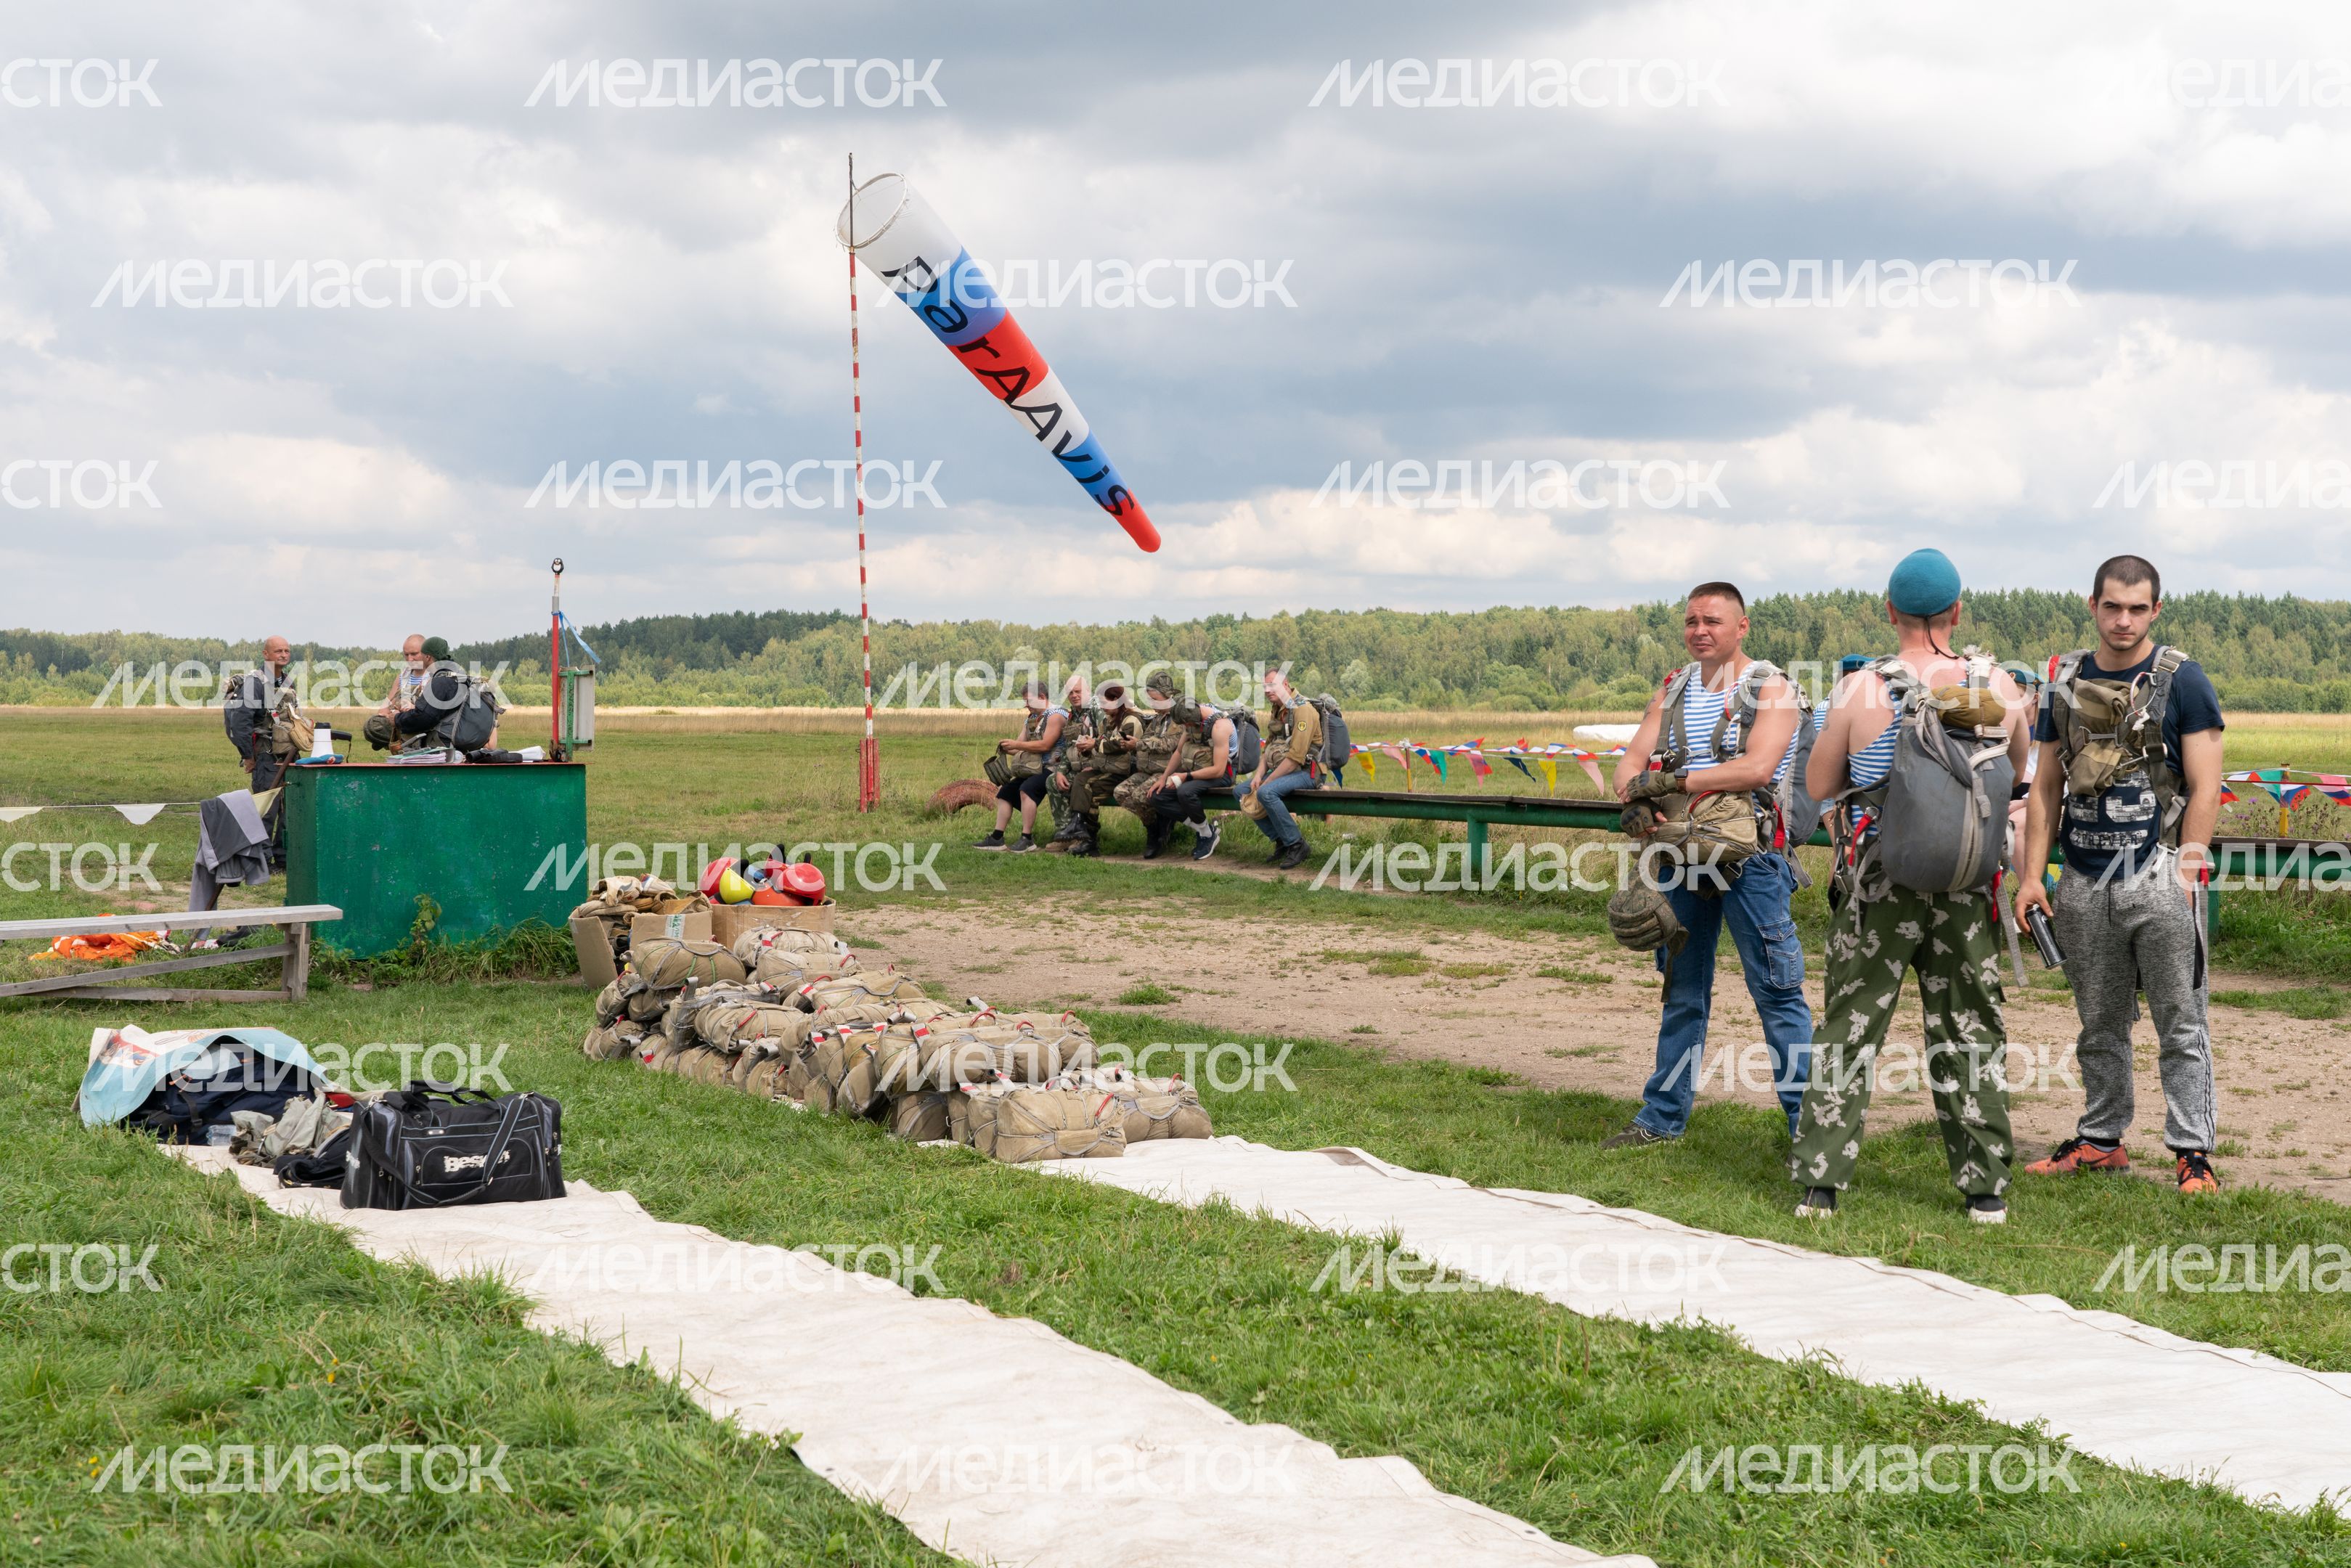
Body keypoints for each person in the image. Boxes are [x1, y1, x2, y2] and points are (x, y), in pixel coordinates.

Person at [1789, 549, 2032, 1224]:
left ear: (1889, 611)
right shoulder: (2001, 688)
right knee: (1969, 1028)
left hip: (1879, 881)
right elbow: (2016, 776)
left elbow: (1815, 788)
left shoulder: (1861, 690)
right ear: (1958, 612)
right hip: (1966, 883)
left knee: (1850, 1026)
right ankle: (1985, 1189)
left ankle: (1821, 1183)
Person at [2014, 555, 2225, 1195]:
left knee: (2180, 1021)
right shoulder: (2066, 682)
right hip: (2083, 878)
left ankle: (2193, 1153)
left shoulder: (2182, 680)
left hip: (2160, 873)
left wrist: (2188, 866)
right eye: (2113, 606)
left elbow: (2207, 783)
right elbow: (2046, 786)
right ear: (2093, 605)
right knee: (2098, 1023)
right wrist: (2032, 877)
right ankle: (2102, 1140)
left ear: (2156, 610)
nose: (2124, 620)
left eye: (2138, 608)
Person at [1601, 582, 1814, 1150]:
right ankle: (1660, 1120)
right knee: (1681, 992)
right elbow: (1628, 766)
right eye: (1692, 621)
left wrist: (1671, 782)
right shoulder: (1673, 688)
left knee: (1777, 993)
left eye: (1713, 621)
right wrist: (1635, 794)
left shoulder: (1771, 688)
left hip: (1754, 864)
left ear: (1742, 627)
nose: (1700, 631)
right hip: (1679, 858)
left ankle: (1810, 1133)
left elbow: (1757, 767)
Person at [1241, 669, 1324, 869]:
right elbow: (1268, 747)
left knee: (1266, 792)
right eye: (1265, 687)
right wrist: (1259, 775)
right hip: (1283, 771)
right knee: (1241, 791)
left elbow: (1295, 759)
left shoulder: (1303, 710)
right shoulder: (1278, 708)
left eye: (1273, 685)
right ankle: (1281, 841)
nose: (1268, 691)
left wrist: (1267, 782)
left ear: (1285, 684)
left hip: (1308, 772)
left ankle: (1297, 845)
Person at [1052, 680, 1143, 857]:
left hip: (1127, 771)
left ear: (1117, 700)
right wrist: (1086, 750)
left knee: (1083, 782)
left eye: (1104, 703)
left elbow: (1120, 745)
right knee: (1084, 784)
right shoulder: (1109, 720)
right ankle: (1087, 840)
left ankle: (1081, 830)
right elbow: (1101, 744)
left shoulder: (1132, 720)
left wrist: (1094, 743)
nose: (1102, 707)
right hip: (1110, 768)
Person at [973, 679, 1064, 852]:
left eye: (1028, 701)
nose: (1026, 706)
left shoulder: (1057, 715)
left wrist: (1016, 745)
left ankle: (1027, 839)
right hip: (1033, 768)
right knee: (1005, 793)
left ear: (1042, 696)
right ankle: (997, 838)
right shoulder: (1031, 718)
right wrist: (1007, 748)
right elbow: (1019, 745)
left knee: (1027, 789)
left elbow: (1045, 745)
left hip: (1054, 768)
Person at [1112, 671, 1194, 858]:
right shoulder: (1158, 719)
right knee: (1121, 792)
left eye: (1155, 699)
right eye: (1150, 699)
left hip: (1168, 771)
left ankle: (1155, 835)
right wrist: (1131, 742)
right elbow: (1147, 738)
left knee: (1141, 796)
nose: (1152, 703)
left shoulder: (1179, 719)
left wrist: (1139, 744)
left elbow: (1169, 745)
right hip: (1148, 770)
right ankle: (1155, 826)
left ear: (1168, 697)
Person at [1150, 692, 1236, 861]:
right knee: (1157, 796)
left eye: (1188, 723)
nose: (1187, 727)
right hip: (1198, 771)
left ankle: (1206, 836)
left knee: (1185, 792)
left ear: (1195, 715)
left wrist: (1186, 776)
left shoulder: (1220, 726)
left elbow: (1219, 770)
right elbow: (1179, 751)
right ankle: (1204, 831)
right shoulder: (1190, 722)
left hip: (1222, 774)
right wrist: (1163, 778)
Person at [392, 638, 505, 752]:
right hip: (461, 747)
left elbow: (424, 718)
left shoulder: (440, 682)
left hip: (443, 749)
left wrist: (396, 719)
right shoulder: (459, 675)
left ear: (428, 657)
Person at [1044, 672, 1100, 847]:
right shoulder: (1073, 715)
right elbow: (1069, 748)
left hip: (1100, 769)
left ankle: (1085, 835)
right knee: (1053, 781)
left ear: (1088, 691)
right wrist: (1061, 771)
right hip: (1078, 767)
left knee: (1080, 783)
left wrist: (1096, 765)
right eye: (1070, 693)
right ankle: (1065, 835)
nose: (1074, 696)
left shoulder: (1099, 711)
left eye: (1078, 691)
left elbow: (1108, 741)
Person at [362, 634, 429, 751]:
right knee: (372, 725)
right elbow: (384, 709)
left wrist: (412, 708)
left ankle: (388, 740)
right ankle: (391, 739)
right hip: (399, 721)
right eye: (406, 655)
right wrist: (394, 714)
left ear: (427, 654)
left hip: (421, 723)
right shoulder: (402, 677)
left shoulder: (435, 677)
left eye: (414, 654)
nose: (409, 659)